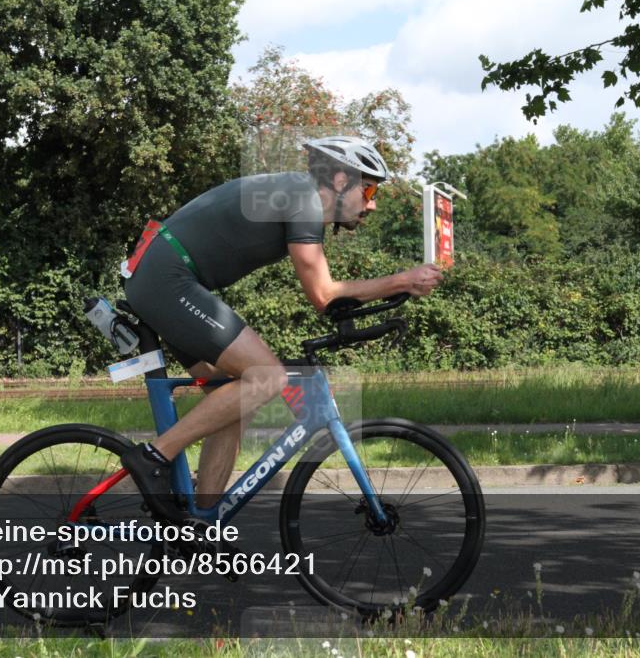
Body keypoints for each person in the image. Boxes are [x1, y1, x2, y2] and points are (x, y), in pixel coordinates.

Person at [119, 136, 443, 523]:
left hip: (166, 277)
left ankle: (200, 520)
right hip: (167, 278)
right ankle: (152, 457)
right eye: (369, 189)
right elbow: (323, 294)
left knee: (234, 395)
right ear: (340, 180)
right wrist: (402, 281)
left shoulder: (299, 195)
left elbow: (330, 297)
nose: (372, 203)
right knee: (267, 377)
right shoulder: (304, 199)